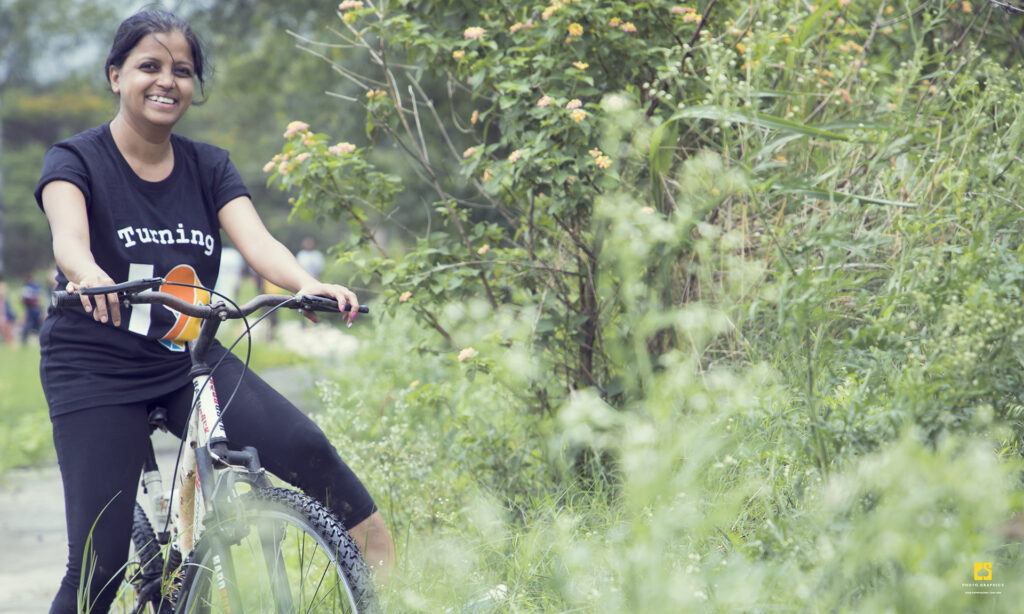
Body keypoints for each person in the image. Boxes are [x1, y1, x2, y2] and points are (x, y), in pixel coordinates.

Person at [34, 10, 393, 613]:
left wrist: (307, 283)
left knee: (310, 451)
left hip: (187, 359)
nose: (167, 81)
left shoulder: (209, 166)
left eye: (182, 70)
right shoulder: (75, 159)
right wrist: (88, 272)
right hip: (94, 367)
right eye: (149, 66)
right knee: (99, 566)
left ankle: (381, 596)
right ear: (116, 75)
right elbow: (68, 239)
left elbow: (258, 243)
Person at [19, 272, 43, 344]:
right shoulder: (25, 287)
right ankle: (24, 340)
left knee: (39, 324)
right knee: (28, 325)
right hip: (30, 309)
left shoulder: (34, 286)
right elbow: (22, 300)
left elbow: (38, 298)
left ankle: (42, 339)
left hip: (35, 308)